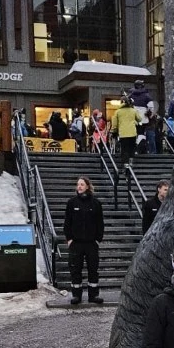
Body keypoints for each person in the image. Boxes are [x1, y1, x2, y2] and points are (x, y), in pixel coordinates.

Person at [64, 176, 105, 306]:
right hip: (76, 243)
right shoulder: (72, 203)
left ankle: (93, 295)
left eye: (82, 184)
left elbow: (100, 224)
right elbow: (67, 223)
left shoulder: (96, 203)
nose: (79, 187)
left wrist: (98, 240)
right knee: (75, 270)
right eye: (78, 184)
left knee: (93, 269)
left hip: (91, 243)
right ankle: (76, 295)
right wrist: (69, 239)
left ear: (87, 186)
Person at [111, 96, 145, 166]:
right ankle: (131, 161)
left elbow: (114, 124)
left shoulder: (118, 112)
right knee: (132, 147)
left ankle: (125, 164)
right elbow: (139, 119)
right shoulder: (133, 110)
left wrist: (114, 131)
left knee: (124, 148)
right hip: (132, 132)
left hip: (123, 133)